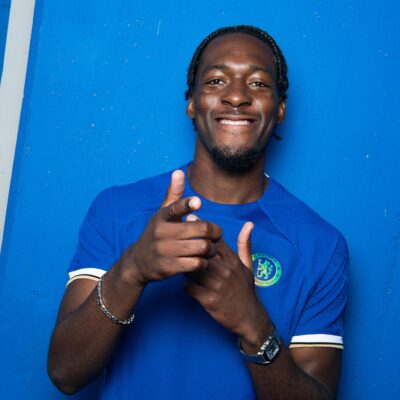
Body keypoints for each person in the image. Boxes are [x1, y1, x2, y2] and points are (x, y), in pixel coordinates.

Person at [48, 25, 349, 399]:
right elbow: (65, 373)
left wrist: (254, 325)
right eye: (216, 80)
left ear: (280, 109)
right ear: (191, 102)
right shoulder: (118, 209)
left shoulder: (321, 245)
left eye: (258, 83)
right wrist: (132, 270)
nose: (236, 96)